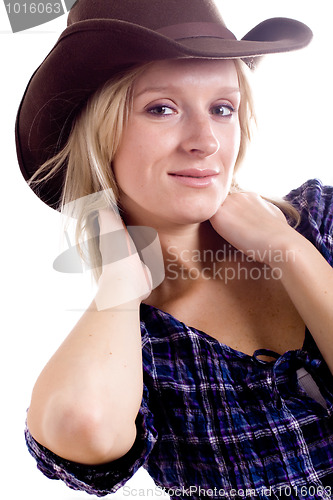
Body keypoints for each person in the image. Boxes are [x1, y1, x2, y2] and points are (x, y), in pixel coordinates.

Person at [16, 0, 333, 498]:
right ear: (99, 135)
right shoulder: (134, 348)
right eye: (161, 108)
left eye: (222, 108)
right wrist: (120, 286)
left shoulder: (320, 220)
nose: (205, 141)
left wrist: (285, 248)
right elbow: (83, 425)